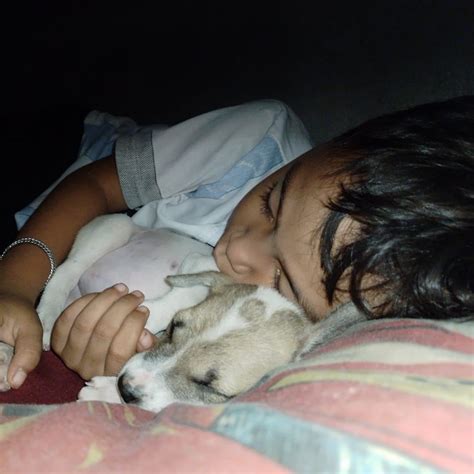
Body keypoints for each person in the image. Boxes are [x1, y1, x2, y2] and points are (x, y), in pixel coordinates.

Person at [1, 97, 473, 391]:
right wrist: (15, 284)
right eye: (272, 202)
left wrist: (111, 354)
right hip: (63, 157)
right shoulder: (257, 138)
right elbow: (96, 185)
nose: (241, 252)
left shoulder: (279, 338)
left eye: (282, 278)